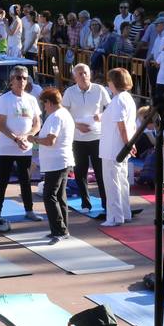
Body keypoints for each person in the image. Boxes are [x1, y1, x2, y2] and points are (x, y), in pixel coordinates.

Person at [0, 67, 42, 232]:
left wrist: (27, 136)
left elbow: (37, 123)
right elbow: (1, 124)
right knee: (3, 180)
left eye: (25, 78)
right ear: (12, 80)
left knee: (25, 180)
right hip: (7, 147)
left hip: (25, 147)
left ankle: (29, 210)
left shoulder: (31, 99)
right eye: (19, 78)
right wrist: (15, 138)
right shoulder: (5, 99)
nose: (22, 81)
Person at [63, 64, 111, 215]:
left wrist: (101, 116)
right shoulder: (69, 92)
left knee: (101, 172)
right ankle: (85, 202)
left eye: (85, 73)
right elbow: (63, 114)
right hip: (77, 139)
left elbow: (110, 108)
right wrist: (77, 125)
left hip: (97, 137)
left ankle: (106, 203)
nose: (83, 76)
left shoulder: (100, 89)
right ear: (74, 77)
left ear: (90, 74)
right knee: (80, 172)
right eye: (79, 74)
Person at [35, 88, 75, 241]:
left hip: (56, 162)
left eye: (44, 104)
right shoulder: (65, 114)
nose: (44, 107)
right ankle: (62, 228)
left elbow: (50, 140)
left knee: (50, 195)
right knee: (59, 195)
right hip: (62, 160)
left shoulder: (55, 117)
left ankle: (59, 230)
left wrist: (35, 139)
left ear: (49, 102)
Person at [99, 68, 137, 227]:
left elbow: (122, 126)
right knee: (122, 181)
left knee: (112, 182)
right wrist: (130, 143)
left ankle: (114, 217)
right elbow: (130, 125)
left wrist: (129, 144)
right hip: (119, 146)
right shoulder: (127, 98)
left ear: (113, 82)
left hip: (113, 147)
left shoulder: (118, 100)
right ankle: (124, 213)